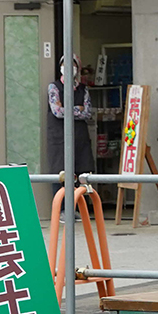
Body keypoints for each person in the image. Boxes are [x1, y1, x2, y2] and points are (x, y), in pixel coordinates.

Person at [48, 54, 94, 213]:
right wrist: (77, 108)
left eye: (72, 64)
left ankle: (79, 209)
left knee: (82, 172)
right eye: (64, 64)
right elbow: (57, 112)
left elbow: (87, 113)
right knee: (60, 172)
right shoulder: (54, 87)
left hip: (79, 137)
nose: (68, 68)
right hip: (59, 137)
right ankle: (60, 210)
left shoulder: (83, 89)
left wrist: (67, 108)